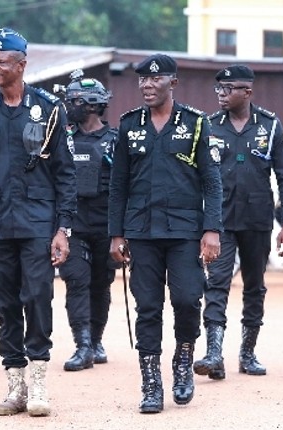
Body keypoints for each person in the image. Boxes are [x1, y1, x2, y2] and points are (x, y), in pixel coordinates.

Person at [0, 28, 76, 417]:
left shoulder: (49, 110)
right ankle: (15, 387)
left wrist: (63, 229)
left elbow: (65, 175)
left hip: (38, 226)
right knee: (6, 306)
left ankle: (38, 382)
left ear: (21, 65)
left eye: (1, 62)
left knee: (38, 299)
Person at [108, 53, 222, 414]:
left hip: (185, 232)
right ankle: (151, 383)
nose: (147, 85)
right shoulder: (129, 125)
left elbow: (212, 182)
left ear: (172, 83)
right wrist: (116, 234)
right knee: (148, 307)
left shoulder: (196, 124)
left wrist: (212, 229)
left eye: (155, 80)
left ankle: (183, 360)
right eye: (142, 80)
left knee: (188, 299)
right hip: (141, 232)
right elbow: (118, 185)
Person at [193, 64, 283, 382]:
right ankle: (214, 353)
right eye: (218, 89)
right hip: (219, 222)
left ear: (247, 92)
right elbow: (196, 178)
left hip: (257, 220)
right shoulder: (209, 127)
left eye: (228, 89)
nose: (221, 94)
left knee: (254, 286)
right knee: (216, 283)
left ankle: (248, 353)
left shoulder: (270, 126)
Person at [55, 70, 117, 371]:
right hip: (73, 225)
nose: (70, 105)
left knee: (100, 284)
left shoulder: (116, 141)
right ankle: (82, 346)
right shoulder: (62, 139)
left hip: (107, 225)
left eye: (75, 100)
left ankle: (95, 339)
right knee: (76, 280)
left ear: (92, 105)